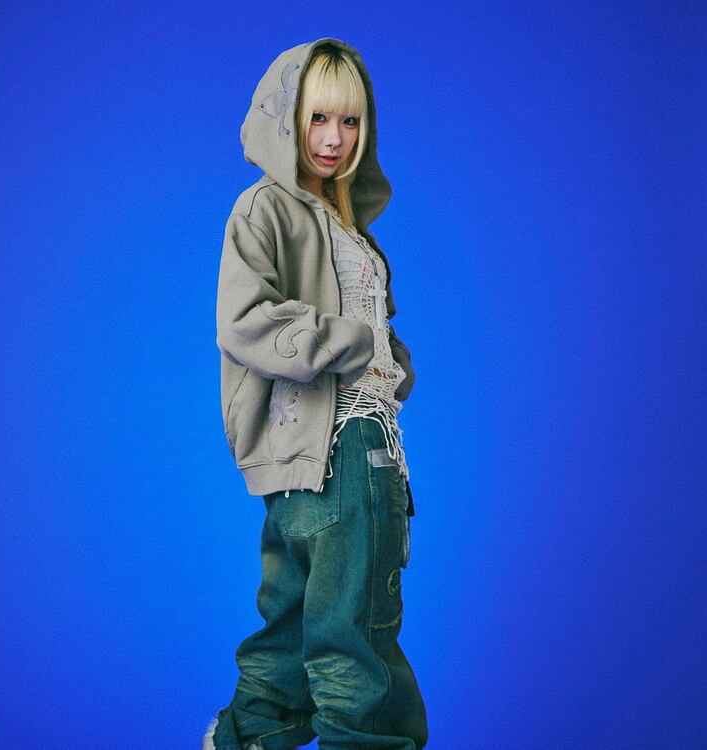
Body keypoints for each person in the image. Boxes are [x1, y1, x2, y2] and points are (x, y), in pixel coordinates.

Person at [204, 37, 428, 750]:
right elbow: (245, 322)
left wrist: (391, 357)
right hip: (341, 450)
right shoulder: (266, 208)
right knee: (356, 652)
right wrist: (357, 344)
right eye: (318, 118)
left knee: (290, 639)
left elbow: (368, 330)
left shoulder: (346, 223)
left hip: (319, 457)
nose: (335, 139)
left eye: (351, 121)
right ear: (287, 121)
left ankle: (241, 739)